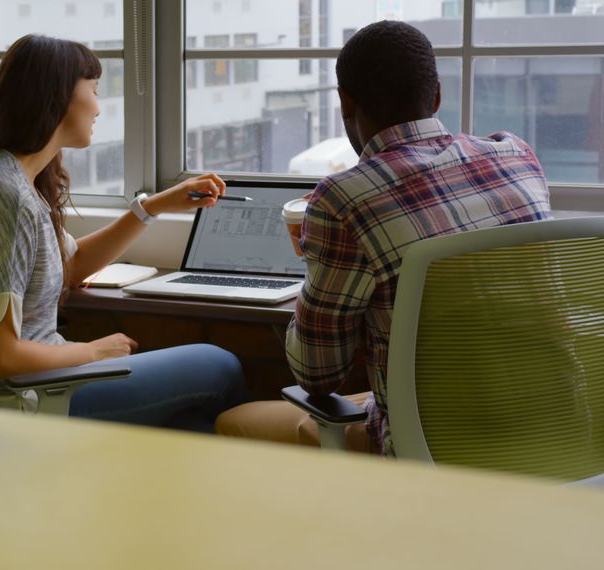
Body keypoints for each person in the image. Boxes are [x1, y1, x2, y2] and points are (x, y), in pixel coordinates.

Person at [215, 21, 553, 454]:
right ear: (436, 96)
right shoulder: (517, 156)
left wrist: (317, 256)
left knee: (235, 422)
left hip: (438, 448)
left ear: (345, 103)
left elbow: (318, 375)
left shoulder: (342, 200)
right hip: (561, 431)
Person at [0, 34, 249, 432]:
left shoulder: (7, 176)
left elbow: (69, 267)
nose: (98, 106)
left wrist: (153, 206)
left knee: (193, 428)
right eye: (92, 89)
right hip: (27, 396)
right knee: (219, 366)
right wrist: (92, 352)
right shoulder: (8, 197)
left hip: (41, 381)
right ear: (58, 98)